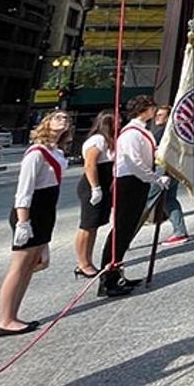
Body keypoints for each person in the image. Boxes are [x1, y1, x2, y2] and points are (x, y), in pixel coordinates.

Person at [0, 110, 71, 336]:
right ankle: (5, 320)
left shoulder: (57, 151)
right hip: (31, 211)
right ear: (46, 123)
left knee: (32, 266)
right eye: (58, 117)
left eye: (66, 118)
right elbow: (24, 190)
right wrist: (22, 222)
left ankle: (14, 314)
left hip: (46, 209)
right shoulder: (36, 153)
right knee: (18, 267)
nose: (64, 120)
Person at [99, 96, 171, 298]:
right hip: (129, 182)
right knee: (121, 230)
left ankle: (117, 271)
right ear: (145, 109)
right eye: (152, 108)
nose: (154, 111)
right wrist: (154, 178)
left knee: (128, 229)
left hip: (137, 182)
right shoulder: (131, 133)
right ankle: (108, 279)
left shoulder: (141, 131)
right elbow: (134, 162)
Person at [74, 111, 115, 277]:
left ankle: (88, 259)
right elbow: (90, 164)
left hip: (105, 183)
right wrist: (95, 187)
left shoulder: (110, 140)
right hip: (93, 184)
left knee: (94, 225)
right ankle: (82, 263)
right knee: (87, 224)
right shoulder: (98, 139)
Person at [149, 104, 189, 246]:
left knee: (147, 202)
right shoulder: (175, 132)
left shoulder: (163, 133)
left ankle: (124, 238)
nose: (156, 118)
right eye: (156, 115)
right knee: (169, 200)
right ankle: (180, 231)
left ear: (168, 118)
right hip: (173, 170)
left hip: (162, 170)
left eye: (160, 115)